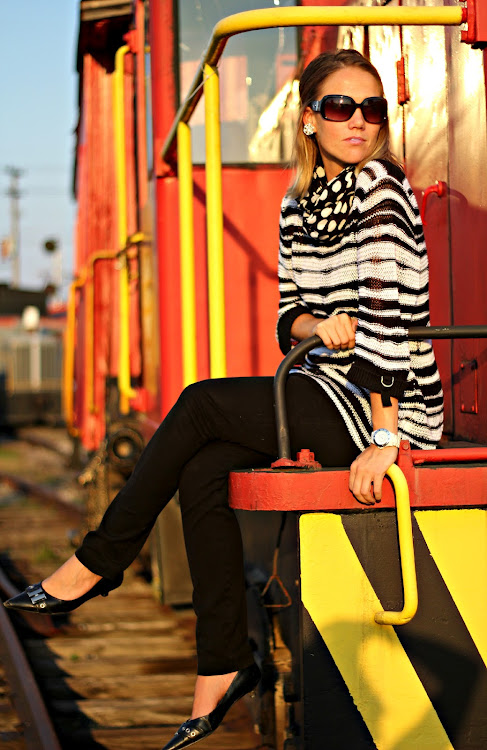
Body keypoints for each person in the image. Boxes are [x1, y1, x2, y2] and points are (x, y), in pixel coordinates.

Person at [4, 49, 443, 749]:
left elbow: (392, 315)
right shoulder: (298, 204)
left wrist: (386, 438)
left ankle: (97, 562)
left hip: (385, 402)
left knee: (201, 403)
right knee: (203, 469)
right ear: (309, 119)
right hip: (321, 386)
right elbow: (288, 317)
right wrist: (319, 325)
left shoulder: (380, 189)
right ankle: (222, 662)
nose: (358, 121)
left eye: (371, 108)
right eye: (340, 107)